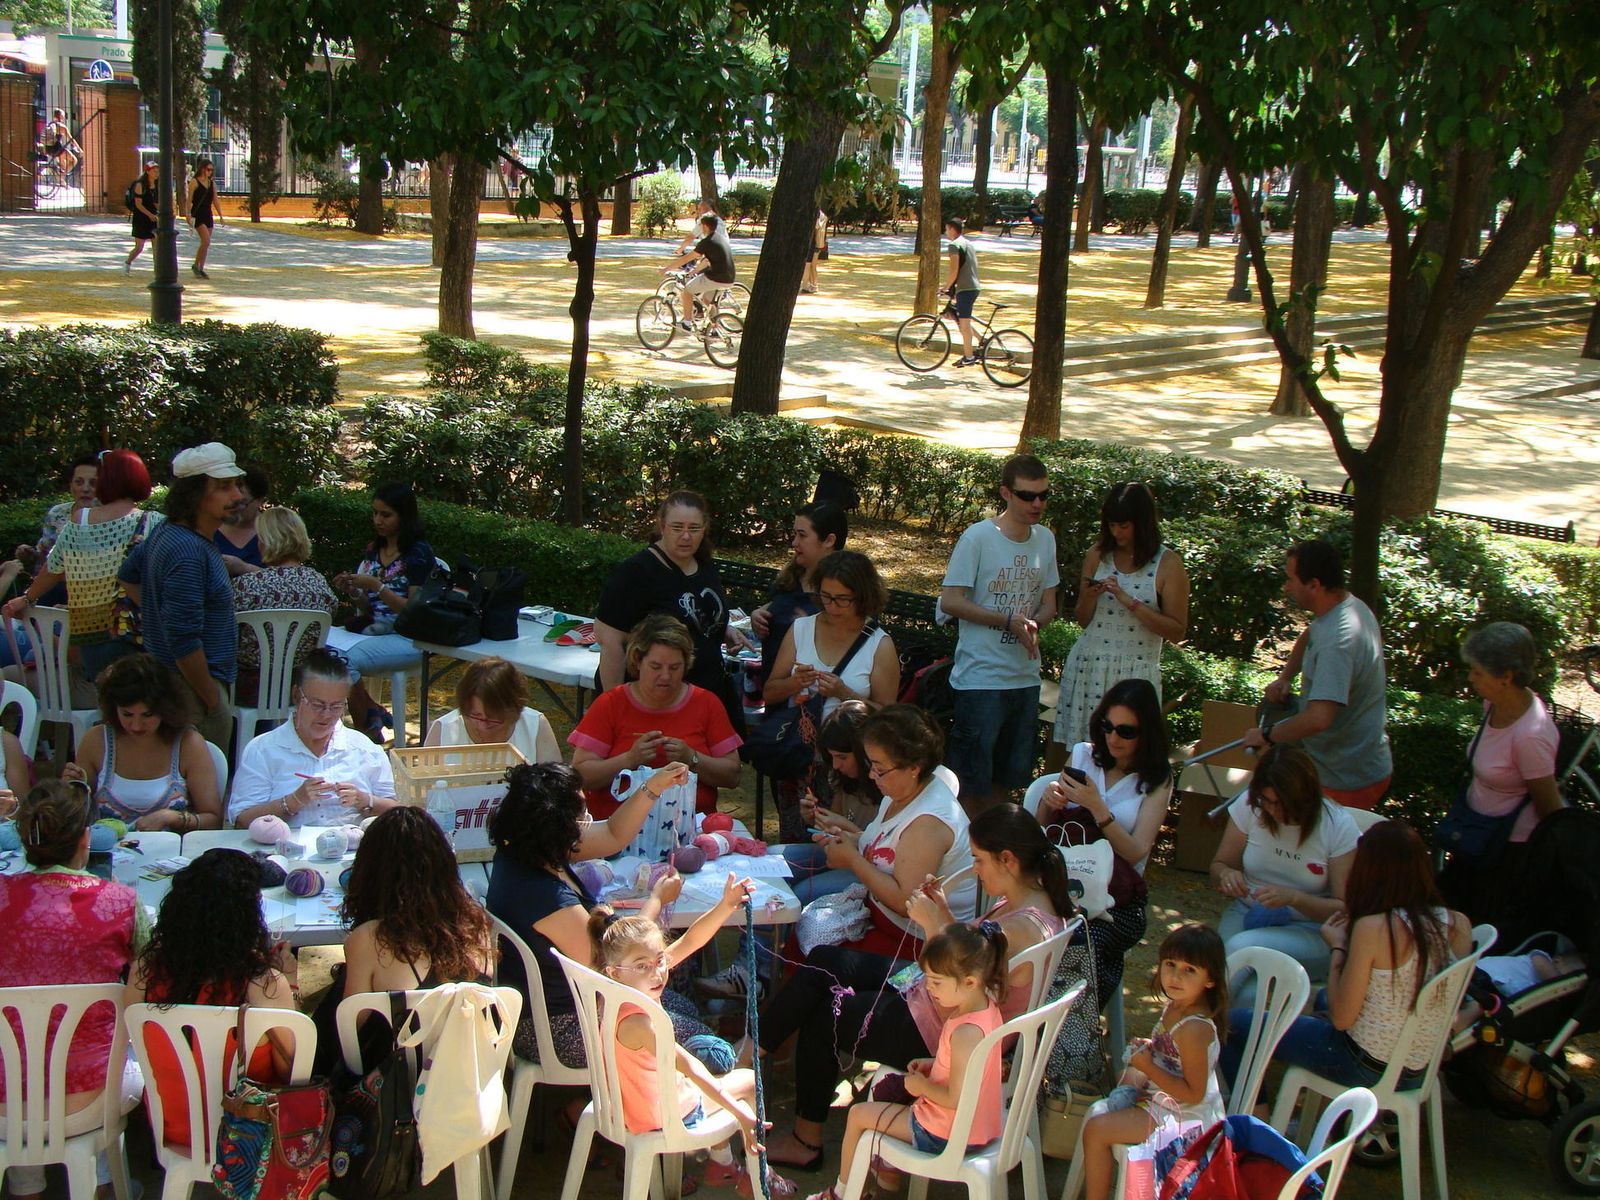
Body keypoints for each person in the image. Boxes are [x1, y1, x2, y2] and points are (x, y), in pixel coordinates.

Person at [484, 760, 731, 1075]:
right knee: (708, 1047)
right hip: (561, 1028)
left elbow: (614, 833)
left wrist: (654, 786)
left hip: (562, 1007)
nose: (587, 821)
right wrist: (656, 899)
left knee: (683, 1005)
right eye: (581, 813)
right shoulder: (546, 900)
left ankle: (584, 1106)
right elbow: (618, 966)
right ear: (557, 826)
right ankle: (642, 1114)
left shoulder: (520, 852)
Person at [1221, 819, 1473, 1093]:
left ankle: (1255, 1117)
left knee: (1235, 1026)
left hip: (1362, 1066)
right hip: (1418, 1069)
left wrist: (1338, 947)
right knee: (1322, 999)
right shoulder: (1459, 924)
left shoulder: (1374, 928)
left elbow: (1342, 1018)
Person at [0, 780, 148, 1200]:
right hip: (89, 1099)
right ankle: (100, 1183)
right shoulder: (120, 903)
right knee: (114, 1042)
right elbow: (144, 985)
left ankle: (26, 1186)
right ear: (87, 837)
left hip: (3, 1095)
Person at [589, 894, 793, 1198]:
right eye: (643, 965)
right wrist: (741, 1115)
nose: (657, 972)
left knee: (710, 1077)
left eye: (660, 960)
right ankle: (751, 1175)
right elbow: (692, 1068)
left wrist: (726, 905)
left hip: (628, 1103)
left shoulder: (615, 990)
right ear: (616, 971)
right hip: (656, 1116)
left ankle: (723, 1163)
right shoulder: (642, 1024)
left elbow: (692, 940)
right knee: (747, 1081)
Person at [799, 923, 1009, 1200]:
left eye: (936, 982)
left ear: (970, 981)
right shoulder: (986, 1010)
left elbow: (954, 1098)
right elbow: (968, 1071)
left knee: (858, 1116)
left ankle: (841, 1193)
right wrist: (932, 1064)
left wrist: (920, 1086)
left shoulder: (964, 1032)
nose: (929, 988)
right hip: (976, 1126)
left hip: (945, 1133)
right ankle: (881, 1179)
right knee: (886, 1086)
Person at [125, 848, 297, 1148]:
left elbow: (138, 1046)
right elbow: (292, 1072)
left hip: (172, 1127)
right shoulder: (264, 985)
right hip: (252, 1130)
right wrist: (290, 983)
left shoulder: (144, 971)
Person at [312, 807, 497, 1072]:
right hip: (469, 1075)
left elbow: (348, 1032)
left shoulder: (369, 939)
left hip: (395, 1091)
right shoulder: (476, 924)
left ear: (370, 873)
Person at [1031, 678, 1172, 1007]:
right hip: (1062, 880)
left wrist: (1098, 808)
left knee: (1081, 947)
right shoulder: (1084, 754)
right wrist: (1050, 801)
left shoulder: (1157, 779)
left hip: (1116, 896)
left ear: (1146, 732)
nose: (1113, 738)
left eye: (1126, 731)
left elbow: (1138, 851)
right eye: (1107, 727)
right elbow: (1041, 827)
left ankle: (1066, 1037)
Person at [941, 453, 1059, 811]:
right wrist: (1007, 621)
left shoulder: (1045, 540)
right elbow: (951, 601)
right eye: (1027, 496)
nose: (1037, 503)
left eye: (1043, 495)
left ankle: (990, 860)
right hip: (981, 680)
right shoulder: (978, 538)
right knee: (970, 787)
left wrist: (1034, 623)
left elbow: (1050, 603)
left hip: (1024, 680)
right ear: (1005, 493)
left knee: (1006, 785)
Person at [1241, 539, 1392, 808]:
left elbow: (1319, 718)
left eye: (1291, 580)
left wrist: (1266, 735)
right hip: (1338, 767)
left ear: (1314, 585)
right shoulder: (1345, 607)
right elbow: (1311, 633)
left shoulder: (1338, 642)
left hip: (1345, 780)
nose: (1286, 587)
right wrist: (1285, 676)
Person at [1080, 924, 1227, 1200]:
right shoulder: (1175, 1005)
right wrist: (1151, 1050)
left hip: (1183, 1118)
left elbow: (1194, 1095)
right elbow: (1173, 1058)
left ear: (1211, 980)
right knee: (1104, 1111)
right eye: (1170, 964)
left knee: (1096, 1130)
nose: (1175, 976)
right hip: (1160, 1100)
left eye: (1190, 970)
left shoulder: (1195, 1029)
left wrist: (1148, 1066)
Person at [1209, 745, 1357, 1005]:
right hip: (1248, 911)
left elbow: (1345, 910)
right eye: (1265, 802)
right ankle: (1222, 1040)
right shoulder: (1250, 806)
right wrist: (1227, 875)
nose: (1273, 811)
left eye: (1280, 803)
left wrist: (1294, 899)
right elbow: (1219, 865)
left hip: (1311, 929)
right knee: (1244, 988)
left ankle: (1195, 1027)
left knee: (1238, 950)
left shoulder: (1336, 826)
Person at [118, 443, 242, 749]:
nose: (237, 495)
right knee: (202, 789)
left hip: (179, 682)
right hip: (192, 689)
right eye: (224, 487)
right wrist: (212, 701)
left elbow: (127, 575)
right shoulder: (187, 550)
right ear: (195, 493)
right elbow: (184, 641)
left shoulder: (168, 532)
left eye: (236, 485)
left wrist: (157, 617)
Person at [3, 450, 159, 692]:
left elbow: (52, 568)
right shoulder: (156, 522)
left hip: (92, 644)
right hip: (141, 639)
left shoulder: (81, 520)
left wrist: (26, 598)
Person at [595, 490, 748, 729]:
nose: (686, 536)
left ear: (705, 528)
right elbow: (611, 643)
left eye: (694, 529)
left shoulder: (704, 564)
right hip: (656, 701)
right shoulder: (635, 573)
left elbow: (697, 612)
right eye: (677, 528)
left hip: (707, 695)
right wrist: (616, 709)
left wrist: (723, 629)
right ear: (662, 525)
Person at [1437, 621, 1563, 910]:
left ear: (1506, 677)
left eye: (1478, 672)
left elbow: (1550, 809)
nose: (1471, 678)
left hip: (1504, 851)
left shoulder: (1530, 736)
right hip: (1476, 834)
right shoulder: (1492, 704)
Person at [1053, 482, 1189, 749]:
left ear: (1143, 522)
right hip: (1090, 665)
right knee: (1082, 752)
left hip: (1134, 674)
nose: (1117, 533)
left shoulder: (1168, 564)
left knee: (1125, 755)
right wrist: (1090, 596)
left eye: (1124, 526)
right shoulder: (1097, 555)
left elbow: (1176, 630)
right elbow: (1082, 619)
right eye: (1111, 525)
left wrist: (1130, 602)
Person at [571, 614, 742, 817]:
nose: (666, 676)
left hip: (688, 830)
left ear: (686, 664)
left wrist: (692, 758)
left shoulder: (706, 703)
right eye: (655, 667)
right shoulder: (611, 703)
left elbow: (732, 775)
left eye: (675, 667)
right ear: (637, 661)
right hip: (614, 829)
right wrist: (629, 759)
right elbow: (580, 775)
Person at [228, 648, 398, 828]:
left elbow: (397, 812)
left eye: (336, 707)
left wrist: (365, 800)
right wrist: (292, 801)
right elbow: (241, 821)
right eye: (317, 705)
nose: (326, 715)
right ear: (297, 696)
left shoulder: (364, 749)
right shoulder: (264, 749)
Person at [62, 653, 223, 833]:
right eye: (127, 714)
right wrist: (73, 789)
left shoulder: (188, 743)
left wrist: (172, 817)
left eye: (147, 715)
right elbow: (74, 816)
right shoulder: (96, 740)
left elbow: (213, 819)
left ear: (166, 709)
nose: (136, 725)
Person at [332, 481, 435, 742]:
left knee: (344, 661)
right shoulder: (373, 550)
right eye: (375, 513)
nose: (378, 520)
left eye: (386, 514)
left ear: (404, 516)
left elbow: (414, 611)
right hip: (374, 631)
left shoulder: (418, 553)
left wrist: (377, 586)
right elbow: (368, 607)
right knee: (319, 648)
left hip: (409, 637)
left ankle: (365, 733)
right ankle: (372, 709)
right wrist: (354, 590)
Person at [765, 550, 900, 720]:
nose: (832, 607)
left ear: (863, 597)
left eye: (843, 599)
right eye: (826, 596)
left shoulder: (879, 645)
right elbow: (769, 694)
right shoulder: (801, 628)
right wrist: (795, 683)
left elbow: (889, 718)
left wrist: (845, 694)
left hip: (848, 744)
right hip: (796, 741)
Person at [231, 506, 338, 686]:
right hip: (301, 685)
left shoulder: (245, 586)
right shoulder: (320, 585)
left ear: (267, 541)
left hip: (251, 688)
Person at [750, 501, 849, 689]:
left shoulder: (845, 594)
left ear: (829, 540)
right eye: (795, 533)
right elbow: (775, 608)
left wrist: (811, 630)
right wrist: (758, 616)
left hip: (813, 700)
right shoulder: (791, 578)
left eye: (802, 535)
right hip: (775, 693)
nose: (794, 542)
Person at [0, 452, 98, 619]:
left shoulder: (110, 519)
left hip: (90, 594)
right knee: (19, 616)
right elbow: (43, 555)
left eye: (93, 483)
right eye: (79, 482)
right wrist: (28, 553)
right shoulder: (57, 513)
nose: (85, 488)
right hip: (49, 587)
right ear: (71, 485)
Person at [425, 657, 562, 763]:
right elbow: (424, 793)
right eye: (476, 716)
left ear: (514, 711)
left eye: (493, 718)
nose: (483, 726)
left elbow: (555, 788)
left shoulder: (534, 726)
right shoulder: (443, 730)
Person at [665, 212, 737, 330]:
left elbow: (687, 258)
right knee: (707, 301)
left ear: (705, 226)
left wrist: (666, 269)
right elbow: (707, 260)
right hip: (729, 278)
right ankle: (715, 329)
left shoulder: (707, 242)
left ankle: (687, 323)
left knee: (687, 291)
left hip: (716, 278)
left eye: (701, 225)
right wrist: (695, 271)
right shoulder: (720, 238)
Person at [214, 461, 269, 575]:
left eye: (242, 503)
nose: (235, 507)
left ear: (260, 501)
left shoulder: (274, 532)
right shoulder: (211, 526)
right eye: (232, 501)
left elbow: (288, 576)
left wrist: (245, 568)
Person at [942, 217, 980, 365]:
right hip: (974, 286)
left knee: (964, 323)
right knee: (961, 318)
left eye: (946, 229)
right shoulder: (968, 243)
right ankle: (981, 341)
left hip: (965, 288)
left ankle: (969, 357)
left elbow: (954, 271)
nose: (946, 232)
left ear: (952, 229)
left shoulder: (954, 245)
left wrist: (945, 287)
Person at [188, 159, 222, 279]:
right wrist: (188, 214)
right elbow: (189, 200)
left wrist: (221, 215)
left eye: (212, 170)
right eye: (208, 169)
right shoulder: (194, 182)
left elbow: (215, 200)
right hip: (198, 214)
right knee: (206, 241)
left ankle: (201, 267)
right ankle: (196, 265)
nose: (210, 172)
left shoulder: (211, 183)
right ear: (202, 169)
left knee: (205, 244)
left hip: (208, 213)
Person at [125, 159, 159, 273]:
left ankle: (157, 270)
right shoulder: (140, 185)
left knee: (156, 245)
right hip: (141, 218)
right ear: (148, 172)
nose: (156, 173)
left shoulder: (157, 185)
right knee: (139, 247)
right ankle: (128, 262)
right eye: (154, 171)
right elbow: (138, 204)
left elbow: (156, 202)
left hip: (153, 218)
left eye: (157, 171)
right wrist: (149, 214)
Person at [42, 108, 80, 176]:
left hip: (49, 150)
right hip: (57, 148)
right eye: (63, 115)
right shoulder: (62, 127)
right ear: (61, 116)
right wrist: (79, 149)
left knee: (63, 165)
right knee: (74, 160)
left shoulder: (50, 124)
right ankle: (61, 176)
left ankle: (61, 181)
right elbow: (71, 139)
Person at [801, 209, 828, 295]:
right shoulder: (820, 213)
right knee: (812, 265)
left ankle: (809, 285)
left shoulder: (815, 212)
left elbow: (817, 226)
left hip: (814, 242)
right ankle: (813, 285)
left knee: (809, 265)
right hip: (817, 242)